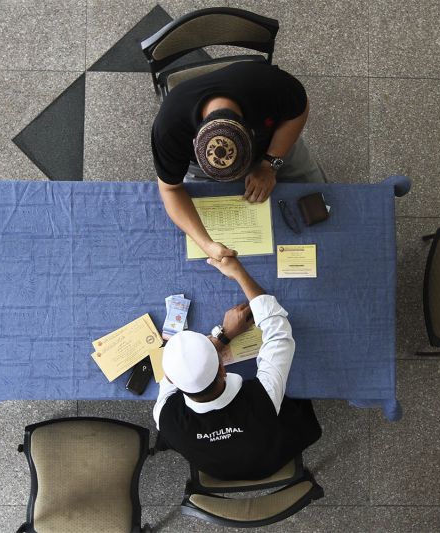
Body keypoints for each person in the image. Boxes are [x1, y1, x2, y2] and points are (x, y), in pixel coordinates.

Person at [153, 256, 322, 480]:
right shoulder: (264, 398)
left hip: (219, 471)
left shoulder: (164, 416)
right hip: (275, 454)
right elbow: (279, 333)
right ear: (222, 370)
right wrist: (238, 272)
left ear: (173, 381)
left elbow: (175, 374)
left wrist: (223, 337)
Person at [151, 61, 326, 262]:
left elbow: (299, 111)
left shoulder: (270, 85)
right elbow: (170, 190)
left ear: (252, 130)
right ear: (194, 140)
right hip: (198, 167)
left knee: (318, 191)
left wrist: (269, 165)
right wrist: (206, 244)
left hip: (271, 147)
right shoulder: (169, 129)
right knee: (198, 212)